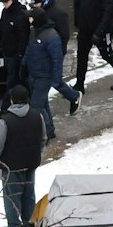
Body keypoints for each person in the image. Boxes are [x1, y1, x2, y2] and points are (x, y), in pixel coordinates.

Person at [0, 84, 46, 227]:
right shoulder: (37, 115)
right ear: (28, 99)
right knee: (29, 196)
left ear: (12, 100)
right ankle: (30, 223)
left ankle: (14, 225)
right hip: (31, 163)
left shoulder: (5, 121)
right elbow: (43, 139)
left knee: (12, 200)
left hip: (11, 167)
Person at [23, 11, 75, 140]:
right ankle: (49, 130)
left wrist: (56, 79)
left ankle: (44, 133)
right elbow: (29, 49)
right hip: (33, 74)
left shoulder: (52, 36)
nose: (29, 20)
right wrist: (23, 64)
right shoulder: (34, 31)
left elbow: (57, 59)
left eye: (31, 18)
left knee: (36, 106)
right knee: (43, 104)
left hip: (44, 76)